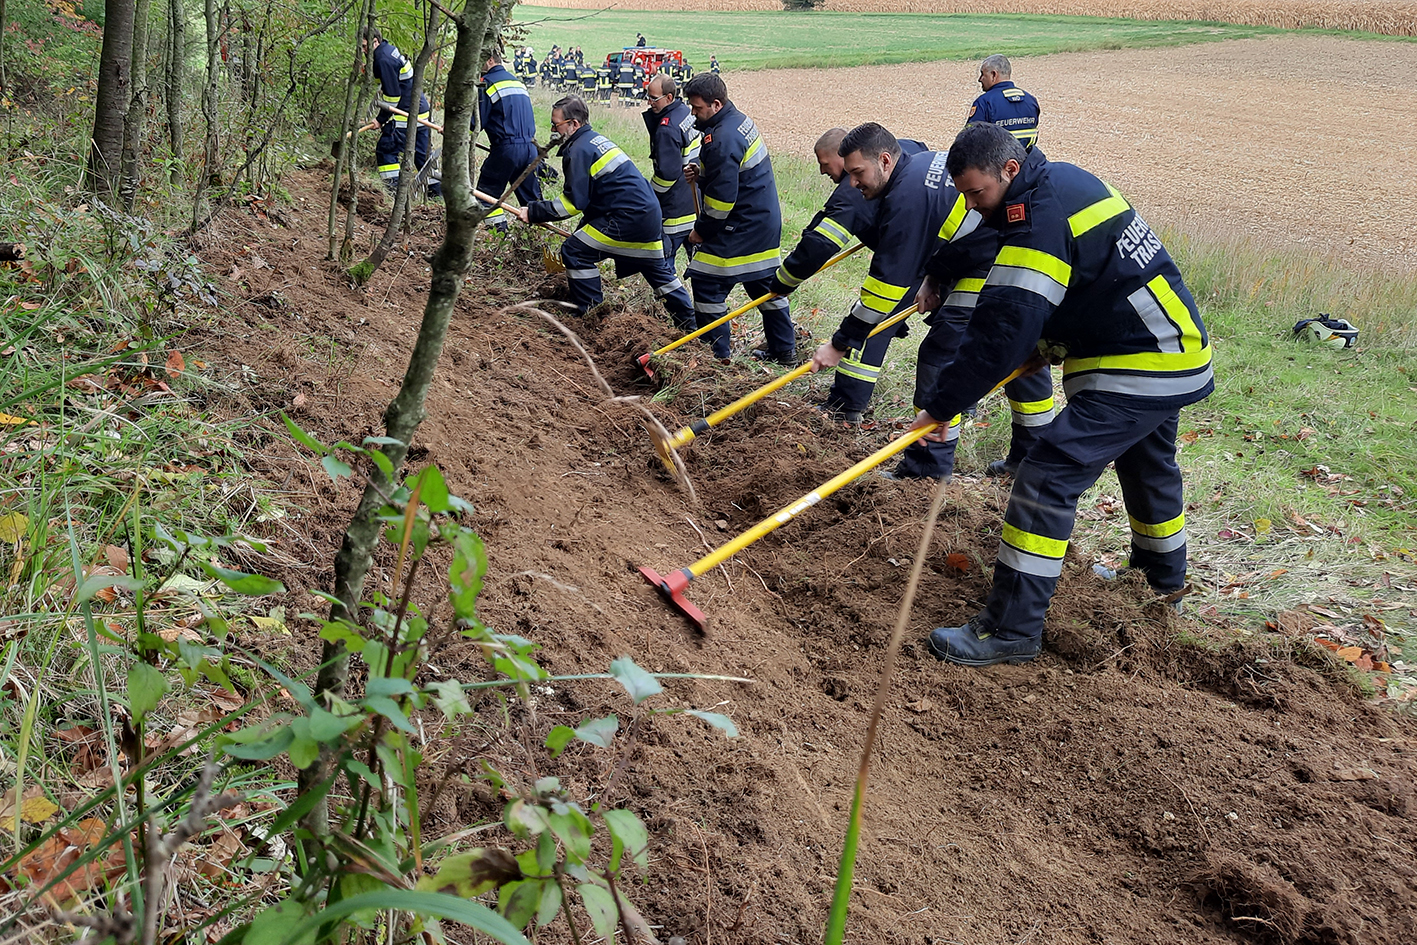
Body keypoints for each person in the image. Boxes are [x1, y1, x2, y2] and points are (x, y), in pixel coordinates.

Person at [911, 122, 1213, 667]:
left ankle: (1009, 629)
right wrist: (1050, 341)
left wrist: (941, 405)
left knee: (1046, 474)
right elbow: (1087, 280)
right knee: (1148, 467)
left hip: (1138, 361)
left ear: (1008, 169)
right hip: (1170, 348)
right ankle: (1159, 586)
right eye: (964, 196)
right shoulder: (1055, 183)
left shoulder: (1037, 218)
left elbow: (1004, 326)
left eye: (978, 193)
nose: (974, 207)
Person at [804, 122, 995, 484]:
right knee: (1008, 361)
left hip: (993, 262)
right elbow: (947, 231)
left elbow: (884, 291)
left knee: (939, 355)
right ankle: (1025, 449)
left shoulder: (905, 200)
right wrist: (932, 278)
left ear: (886, 160)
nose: (853, 183)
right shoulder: (917, 167)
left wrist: (839, 344)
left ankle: (927, 472)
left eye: (858, 173)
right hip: (974, 256)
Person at [771, 127, 926, 423]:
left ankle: (845, 407)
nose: (820, 171)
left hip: (915, 255)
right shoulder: (902, 150)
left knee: (868, 322)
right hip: (925, 249)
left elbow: (819, 244)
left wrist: (782, 282)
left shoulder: (852, 191)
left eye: (824, 164)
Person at [510, 96, 695, 330]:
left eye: (556, 124)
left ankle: (591, 313)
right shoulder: (594, 141)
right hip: (646, 215)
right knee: (655, 268)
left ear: (573, 124)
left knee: (575, 251)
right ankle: (691, 324)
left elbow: (572, 203)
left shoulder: (578, 151)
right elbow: (596, 200)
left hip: (626, 218)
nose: (553, 130)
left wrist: (534, 212)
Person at [970, 53, 1051, 475]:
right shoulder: (1032, 100)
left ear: (994, 73)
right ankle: (1031, 451)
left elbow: (974, 148)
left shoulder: (985, 105)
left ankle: (1029, 454)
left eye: (982, 74)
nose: (979, 81)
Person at [681, 73, 793, 363]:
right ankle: (785, 351)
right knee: (767, 287)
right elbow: (730, 174)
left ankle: (714, 357)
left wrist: (700, 232)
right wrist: (702, 172)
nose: (693, 113)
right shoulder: (735, 121)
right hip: (762, 221)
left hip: (741, 226)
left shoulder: (722, 138)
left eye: (697, 108)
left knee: (705, 281)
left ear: (715, 104)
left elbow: (721, 201)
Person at [361, 26, 435, 196]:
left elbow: (393, 95)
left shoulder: (383, 59)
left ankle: (393, 192)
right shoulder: (387, 49)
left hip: (406, 114)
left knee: (386, 149)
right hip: (420, 109)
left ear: (375, 42)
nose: (363, 51)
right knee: (422, 158)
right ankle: (436, 194)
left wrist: (380, 119)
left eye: (365, 47)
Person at [475, 50, 542, 230]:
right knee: (532, 202)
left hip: (507, 149)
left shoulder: (487, 84)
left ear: (489, 60)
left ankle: (500, 235)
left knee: (485, 195)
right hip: (530, 148)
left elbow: (476, 122)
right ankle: (539, 240)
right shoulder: (517, 82)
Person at [643, 74, 701, 265]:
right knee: (699, 261)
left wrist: (649, 194)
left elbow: (666, 175)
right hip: (694, 203)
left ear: (669, 98)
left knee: (664, 263)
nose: (649, 102)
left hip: (674, 212)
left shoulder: (666, 129)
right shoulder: (685, 112)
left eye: (654, 98)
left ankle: (671, 295)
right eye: (648, 96)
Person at [968, 54, 1040, 150]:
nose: (980, 79)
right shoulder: (1030, 100)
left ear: (994, 75)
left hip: (996, 163)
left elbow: (968, 140)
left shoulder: (984, 102)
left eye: (983, 74)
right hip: (1026, 161)